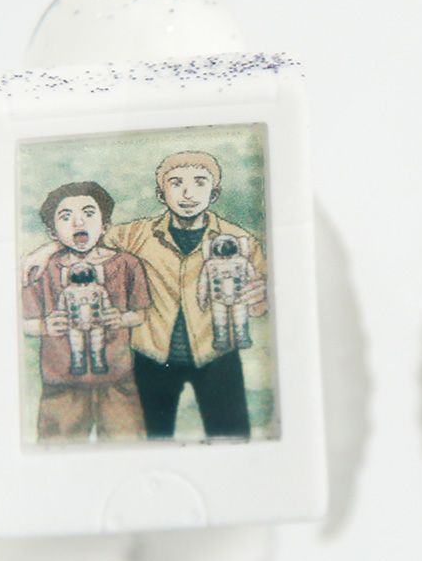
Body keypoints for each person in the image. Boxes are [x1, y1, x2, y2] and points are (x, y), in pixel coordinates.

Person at [25, 152, 267, 438]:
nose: (188, 193)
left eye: (200, 182)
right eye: (176, 183)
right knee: (150, 441)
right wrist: (47, 249)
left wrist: (261, 295)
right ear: (160, 194)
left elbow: (261, 305)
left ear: (214, 193)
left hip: (217, 354)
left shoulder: (241, 241)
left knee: (231, 437)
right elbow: (86, 234)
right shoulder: (135, 235)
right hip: (152, 358)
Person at [22, 181, 150, 441]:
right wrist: (45, 326)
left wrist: (121, 318)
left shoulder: (127, 264)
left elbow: (141, 314)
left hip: (117, 378)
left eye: (89, 214)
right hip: (61, 381)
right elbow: (23, 323)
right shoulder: (42, 270)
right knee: (58, 449)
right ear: (53, 232)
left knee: (126, 446)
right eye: (66, 216)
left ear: (105, 225)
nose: (78, 223)